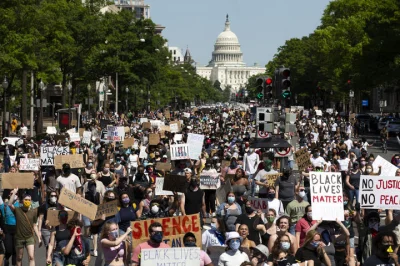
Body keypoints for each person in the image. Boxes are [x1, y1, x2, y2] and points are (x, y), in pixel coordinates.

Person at [8, 189, 41, 266]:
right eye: (26, 199)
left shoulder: (33, 212)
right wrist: (15, 193)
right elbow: (9, 204)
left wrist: (39, 237)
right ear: (22, 201)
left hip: (30, 238)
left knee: (31, 257)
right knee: (19, 258)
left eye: (29, 200)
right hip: (19, 238)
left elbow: (34, 225)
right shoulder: (17, 210)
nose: (27, 201)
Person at [0, 193, 18, 266]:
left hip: (17, 230)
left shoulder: (19, 205)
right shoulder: (4, 205)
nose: (13, 194)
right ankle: (6, 259)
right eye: (11, 193)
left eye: (14, 193)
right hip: (7, 230)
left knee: (15, 251)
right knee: (9, 250)